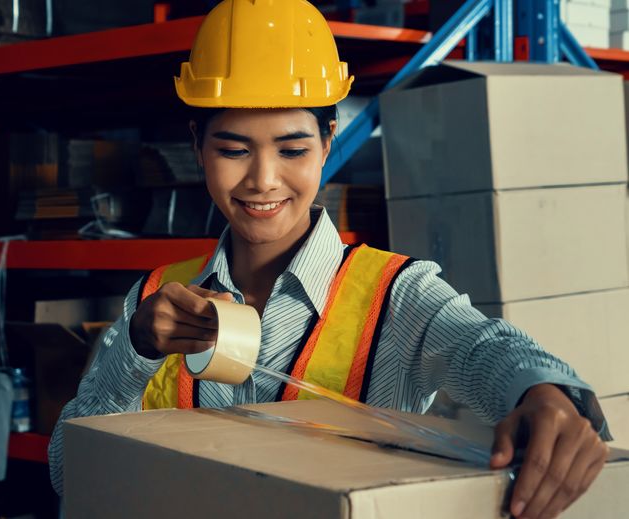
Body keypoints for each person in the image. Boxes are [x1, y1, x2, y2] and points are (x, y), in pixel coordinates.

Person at [50, 1, 611, 518]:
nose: (263, 180)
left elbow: (487, 349)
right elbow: (67, 473)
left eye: (292, 149)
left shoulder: (397, 294)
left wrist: (545, 394)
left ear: (328, 141)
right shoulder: (155, 298)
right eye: (233, 150)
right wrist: (135, 351)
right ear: (197, 145)